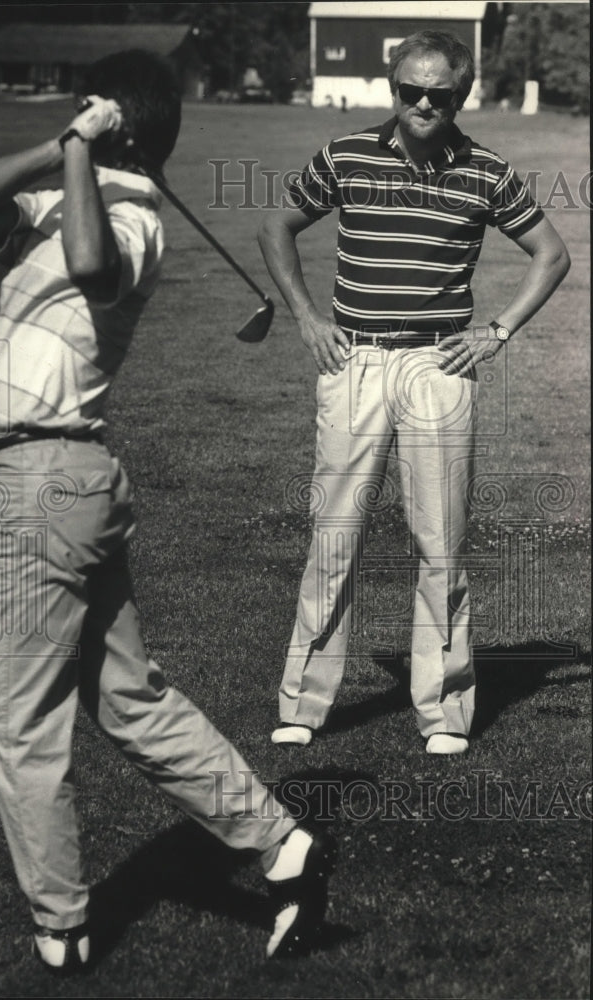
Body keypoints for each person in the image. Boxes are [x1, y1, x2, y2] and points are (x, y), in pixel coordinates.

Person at [0, 49, 335, 974]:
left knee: (19, 723)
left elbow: (89, 265)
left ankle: (62, 928)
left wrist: (85, 150)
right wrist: (62, 146)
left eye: (88, 107)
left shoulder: (133, 218)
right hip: (69, 488)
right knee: (127, 698)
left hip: (43, 485)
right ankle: (282, 847)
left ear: (113, 121)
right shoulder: (63, 192)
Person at [258, 30, 570, 755]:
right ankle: (303, 703)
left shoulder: (487, 171)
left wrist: (495, 332)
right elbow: (276, 223)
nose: (423, 103)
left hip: (437, 367)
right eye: (410, 90)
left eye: (439, 93)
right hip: (355, 364)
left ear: (460, 95)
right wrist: (306, 318)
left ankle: (444, 710)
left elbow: (550, 256)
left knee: (441, 545)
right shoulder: (344, 156)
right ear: (392, 87)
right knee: (333, 535)